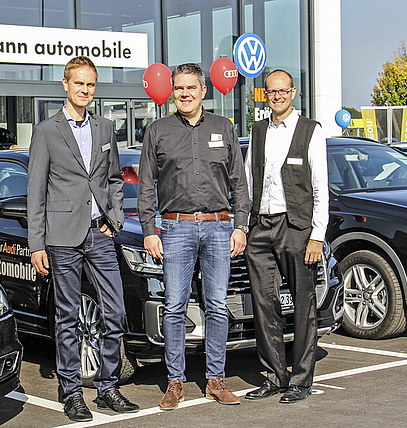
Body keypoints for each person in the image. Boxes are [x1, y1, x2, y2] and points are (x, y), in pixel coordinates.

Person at [27, 56, 138, 422]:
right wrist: (37, 243)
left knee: (116, 311)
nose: (85, 90)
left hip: (100, 233)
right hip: (61, 237)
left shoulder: (106, 128)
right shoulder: (46, 131)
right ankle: (72, 392)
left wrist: (116, 219)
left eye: (91, 84)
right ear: (65, 84)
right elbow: (36, 191)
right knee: (66, 316)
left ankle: (107, 387)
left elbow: (115, 180)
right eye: (79, 84)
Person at [137, 63, 250, 410]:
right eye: (179, 88)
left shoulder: (224, 127)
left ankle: (216, 380)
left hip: (218, 227)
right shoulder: (157, 131)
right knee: (174, 308)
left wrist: (241, 225)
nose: (184, 93)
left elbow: (239, 184)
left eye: (191, 87)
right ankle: (175, 382)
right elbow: (145, 187)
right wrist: (148, 231)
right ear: (172, 92)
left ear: (204, 91)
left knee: (217, 306)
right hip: (174, 228)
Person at [242, 69, 329, 404]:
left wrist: (316, 236)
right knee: (265, 304)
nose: (276, 96)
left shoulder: (310, 131)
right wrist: (245, 225)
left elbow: (320, 188)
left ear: (293, 93)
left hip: (296, 227)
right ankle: (274, 376)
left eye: (282, 91)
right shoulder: (258, 130)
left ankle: (301, 380)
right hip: (260, 227)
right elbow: (249, 181)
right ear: (265, 96)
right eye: (270, 92)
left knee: (303, 304)